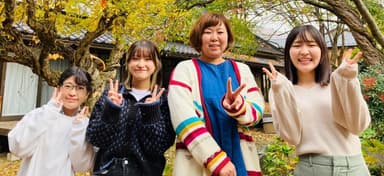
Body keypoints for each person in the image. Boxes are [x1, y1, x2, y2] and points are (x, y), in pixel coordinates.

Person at [263, 24, 371, 176]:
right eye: (297, 45)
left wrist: (347, 80)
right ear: (288, 52)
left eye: (311, 45)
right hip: (311, 168)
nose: (304, 51)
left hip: (353, 167)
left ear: (322, 50)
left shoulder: (340, 81)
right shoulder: (281, 89)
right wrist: (280, 90)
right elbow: (291, 137)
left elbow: (358, 126)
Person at [168, 12, 265, 176]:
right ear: (199, 37)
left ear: (228, 37)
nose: (214, 38)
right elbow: (182, 117)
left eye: (220, 32)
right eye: (208, 32)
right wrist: (217, 161)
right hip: (199, 161)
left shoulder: (242, 70)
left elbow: (257, 112)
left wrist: (239, 107)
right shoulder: (184, 70)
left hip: (240, 158)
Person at [86, 40, 175, 176]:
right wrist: (111, 110)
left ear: (156, 64)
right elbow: (95, 138)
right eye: (135, 58)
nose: (141, 64)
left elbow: (159, 147)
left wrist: (151, 113)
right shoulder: (112, 94)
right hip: (108, 171)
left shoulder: (162, 100)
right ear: (127, 63)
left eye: (147, 59)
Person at [8, 66, 95, 176]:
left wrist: (78, 129)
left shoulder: (85, 125)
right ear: (58, 89)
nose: (72, 93)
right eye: (68, 86)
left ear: (87, 94)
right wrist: (49, 112)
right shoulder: (40, 114)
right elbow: (18, 148)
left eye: (80, 88)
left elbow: (82, 166)